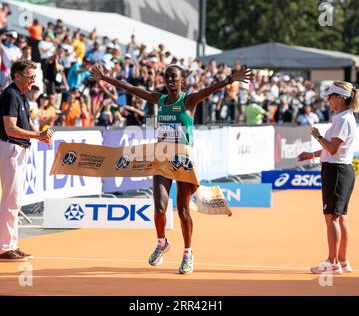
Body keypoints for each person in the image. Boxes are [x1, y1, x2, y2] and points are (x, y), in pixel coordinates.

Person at [90, 63, 251, 274]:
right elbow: (129, 88)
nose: (170, 81)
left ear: (182, 80)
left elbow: (210, 90)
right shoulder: (160, 99)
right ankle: (161, 243)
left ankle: (188, 254)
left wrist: (229, 80)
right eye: (167, 77)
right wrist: (104, 78)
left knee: (183, 211)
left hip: (183, 161)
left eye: (174, 78)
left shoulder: (189, 100)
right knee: (159, 208)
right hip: (162, 159)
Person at [297, 81, 359, 275]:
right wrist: (312, 155)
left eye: (331, 97)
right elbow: (332, 149)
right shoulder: (344, 118)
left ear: (341, 97)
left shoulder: (342, 119)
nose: (328, 101)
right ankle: (342, 262)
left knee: (331, 218)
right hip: (341, 170)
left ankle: (332, 262)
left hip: (336, 172)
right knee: (340, 218)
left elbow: (332, 149)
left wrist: (317, 135)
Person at [0, 60, 53, 262]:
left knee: (15, 200)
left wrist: (38, 136)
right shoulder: (11, 95)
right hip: (10, 148)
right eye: (29, 76)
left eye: (34, 76)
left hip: (17, 149)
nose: (33, 80)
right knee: (10, 201)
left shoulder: (20, 96)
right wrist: (38, 135)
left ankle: (10, 245)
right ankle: (4, 248)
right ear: (17, 75)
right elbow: (10, 128)